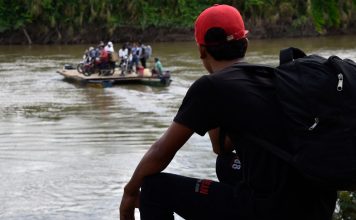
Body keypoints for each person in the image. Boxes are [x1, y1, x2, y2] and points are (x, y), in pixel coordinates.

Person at [119, 4, 337, 220]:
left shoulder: (210, 87)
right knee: (225, 165)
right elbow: (221, 147)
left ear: (201, 50)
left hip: (271, 210)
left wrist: (129, 193)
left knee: (154, 187)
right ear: (246, 43)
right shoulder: (269, 76)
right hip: (316, 204)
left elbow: (161, 153)